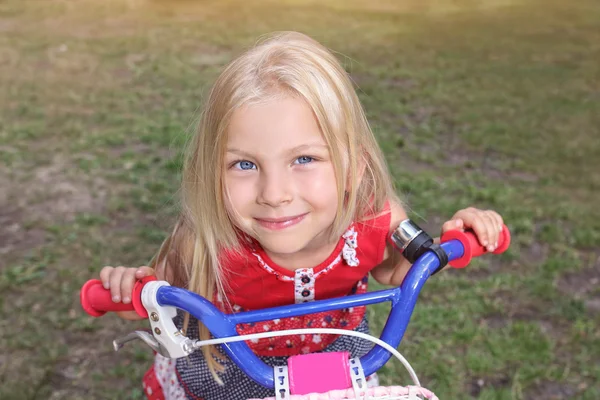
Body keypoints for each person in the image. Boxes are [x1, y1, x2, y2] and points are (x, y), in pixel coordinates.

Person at [97, 31, 504, 400]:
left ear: (354, 167)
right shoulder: (207, 239)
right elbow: (152, 298)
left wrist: (454, 242)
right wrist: (128, 288)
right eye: (244, 165)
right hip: (227, 384)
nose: (274, 195)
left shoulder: (373, 221)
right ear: (210, 170)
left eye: (304, 159)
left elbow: (402, 273)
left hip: (336, 376)